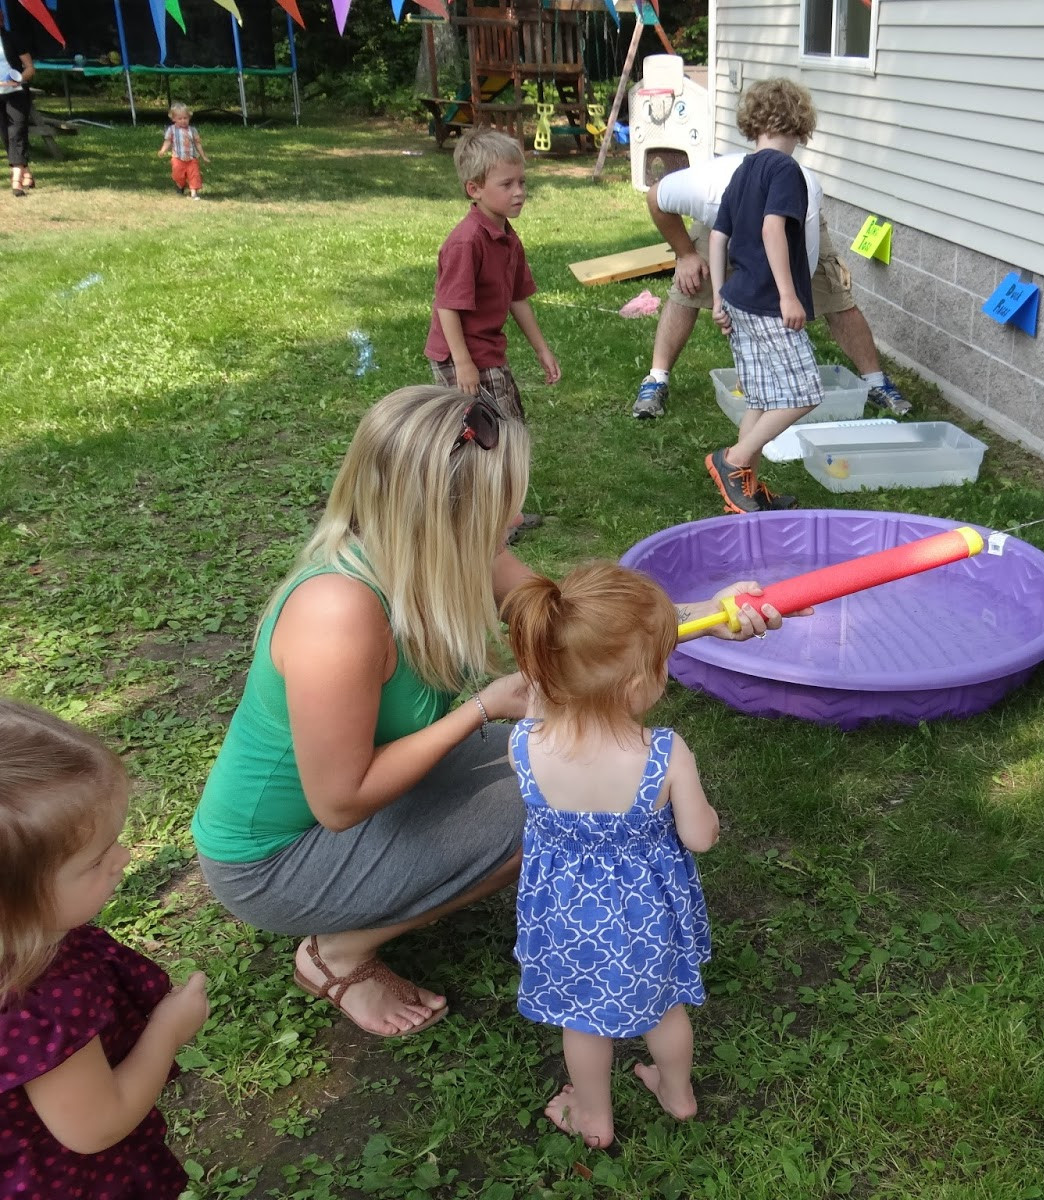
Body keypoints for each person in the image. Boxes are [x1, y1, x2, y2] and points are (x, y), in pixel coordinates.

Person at [190, 386, 783, 1040]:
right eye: (505, 502)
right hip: (278, 860)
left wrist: (705, 617)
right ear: (444, 514)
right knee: (561, 800)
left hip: (357, 808)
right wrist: (481, 708)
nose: (519, 515)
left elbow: (566, 627)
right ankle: (336, 953)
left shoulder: (444, 549)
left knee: (567, 765)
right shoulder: (338, 614)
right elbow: (339, 800)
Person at [501, 562, 717, 1149]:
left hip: (566, 915)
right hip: (647, 914)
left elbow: (542, 711)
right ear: (635, 687)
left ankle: (593, 1115)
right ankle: (677, 1094)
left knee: (583, 1018)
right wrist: (705, 818)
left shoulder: (523, 741)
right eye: (662, 662)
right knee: (665, 1009)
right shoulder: (666, 753)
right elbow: (699, 837)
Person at [0, 697, 211, 1197]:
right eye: (94, 862)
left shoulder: (29, 936)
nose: (124, 858)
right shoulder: (34, 999)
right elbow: (96, 1124)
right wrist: (167, 1030)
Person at [631, 155, 911, 421]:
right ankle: (656, 379)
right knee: (687, 288)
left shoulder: (803, 195)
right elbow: (655, 199)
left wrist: (787, 301)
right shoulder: (706, 193)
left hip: (795, 232)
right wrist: (686, 255)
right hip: (718, 226)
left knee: (834, 294)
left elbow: (806, 263)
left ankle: (876, 382)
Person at [703, 79, 829, 514]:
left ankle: (746, 488)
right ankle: (733, 460)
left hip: (738, 299)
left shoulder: (742, 170)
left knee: (762, 396)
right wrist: (789, 296)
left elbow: (718, 236)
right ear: (799, 122)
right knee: (803, 392)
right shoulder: (784, 170)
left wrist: (718, 298)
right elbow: (772, 228)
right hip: (767, 303)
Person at [425, 128, 559, 537]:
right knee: (486, 436)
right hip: (461, 356)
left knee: (508, 428)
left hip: (488, 351)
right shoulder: (467, 242)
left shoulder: (506, 236)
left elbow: (517, 297)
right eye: (507, 184)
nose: (519, 192)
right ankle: (483, 520)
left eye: (522, 183)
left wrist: (541, 348)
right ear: (475, 189)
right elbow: (447, 306)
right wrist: (463, 364)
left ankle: (502, 514)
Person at [0, 17, 35, 198]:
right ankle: (26, 171)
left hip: (16, 92)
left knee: (17, 133)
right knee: (6, 136)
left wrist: (18, 79)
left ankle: (17, 181)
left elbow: (30, 68)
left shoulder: (13, 38)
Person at [156, 102, 210, 200]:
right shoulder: (171, 130)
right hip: (177, 158)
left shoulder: (192, 130)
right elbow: (168, 141)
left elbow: (198, 144)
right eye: (180, 119)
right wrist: (162, 150)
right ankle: (180, 185)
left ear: (189, 118)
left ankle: (194, 193)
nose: (183, 121)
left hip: (191, 158)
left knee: (194, 175)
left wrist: (203, 156)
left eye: (185, 118)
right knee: (177, 175)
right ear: (174, 119)